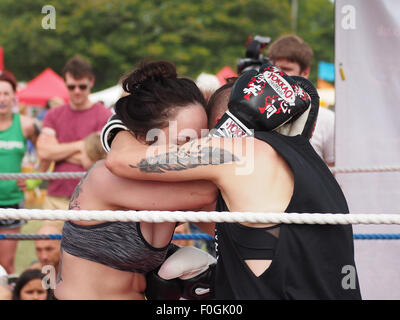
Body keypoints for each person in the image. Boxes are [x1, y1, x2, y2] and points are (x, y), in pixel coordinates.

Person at [105, 62, 361, 299]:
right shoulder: (308, 164)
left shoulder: (239, 152)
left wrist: (125, 119)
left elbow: (122, 159)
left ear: (222, 127)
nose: (195, 146)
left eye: (195, 141)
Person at [54, 60, 218, 300]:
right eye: (185, 142)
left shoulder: (177, 184)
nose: (195, 152)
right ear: (143, 136)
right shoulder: (105, 177)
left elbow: (226, 227)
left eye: (201, 141)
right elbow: (208, 194)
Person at [36, 55, 112, 211]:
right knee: (42, 236)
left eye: (82, 86)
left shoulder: (104, 115)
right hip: (56, 198)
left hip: (92, 197)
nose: (77, 91)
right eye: (72, 86)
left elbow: (95, 158)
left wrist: (58, 150)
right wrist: (82, 145)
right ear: (65, 83)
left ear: (91, 82)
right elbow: (44, 152)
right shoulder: (53, 114)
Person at [267, 34, 336, 166]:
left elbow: (336, 175)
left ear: (305, 72)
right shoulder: (257, 114)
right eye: (275, 69)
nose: (279, 75)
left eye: (286, 69)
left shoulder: (327, 120)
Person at [0, 70, 41, 274]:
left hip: (11, 201)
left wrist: (35, 179)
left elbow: (47, 152)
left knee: (6, 264)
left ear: (14, 96)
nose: (2, 99)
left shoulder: (26, 124)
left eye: (6, 94)